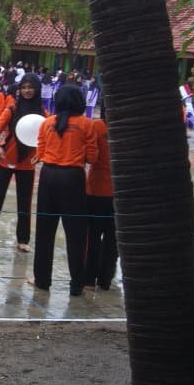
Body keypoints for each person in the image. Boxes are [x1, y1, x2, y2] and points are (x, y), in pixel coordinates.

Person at [30, 84, 97, 295]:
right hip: (73, 178)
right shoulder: (87, 124)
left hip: (48, 176)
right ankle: (77, 284)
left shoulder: (47, 123)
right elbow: (92, 157)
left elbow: (41, 152)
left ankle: (42, 280)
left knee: (45, 231)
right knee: (76, 233)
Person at [0, 72, 45, 252]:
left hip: (27, 164)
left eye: (31, 87)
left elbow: (48, 135)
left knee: (25, 202)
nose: (27, 91)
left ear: (37, 89)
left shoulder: (42, 113)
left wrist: (41, 153)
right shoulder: (12, 109)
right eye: (24, 87)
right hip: (6, 161)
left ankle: (22, 240)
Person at [83, 99, 117, 290]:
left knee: (93, 236)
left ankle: (89, 279)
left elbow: (91, 156)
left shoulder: (97, 126)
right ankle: (105, 280)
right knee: (113, 238)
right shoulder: (128, 130)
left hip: (96, 190)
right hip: (120, 193)